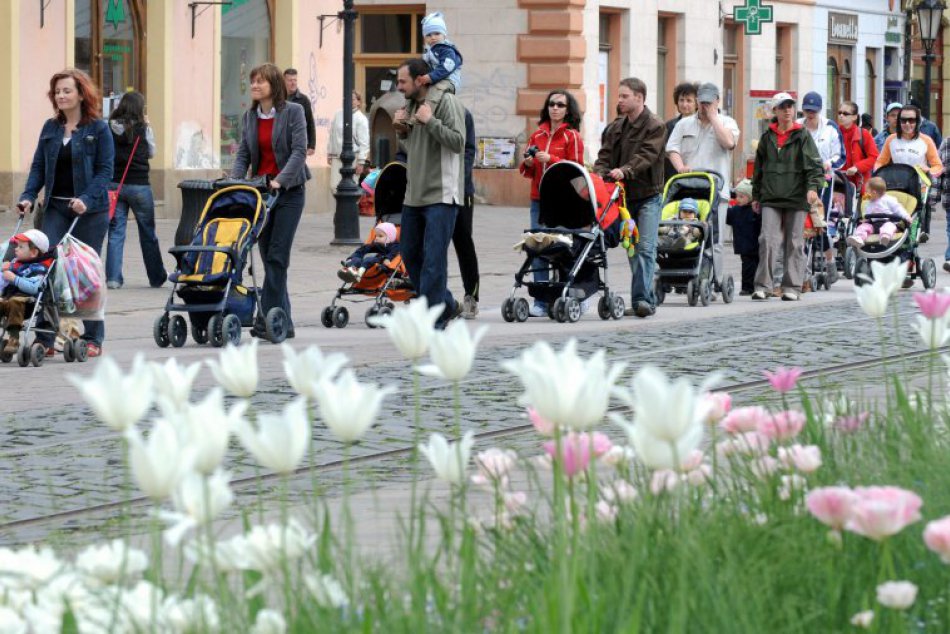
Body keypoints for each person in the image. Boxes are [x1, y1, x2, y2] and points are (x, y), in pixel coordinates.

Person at [17, 68, 114, 358]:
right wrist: (27, 196)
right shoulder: (50, 128)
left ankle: (93, 337)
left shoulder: (98, 129)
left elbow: (105, 171)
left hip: (90, 211)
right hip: (56, 207)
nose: (61, 96)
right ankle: (46, 338)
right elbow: (37, 168)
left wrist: (86, 198)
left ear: (82, 93)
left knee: (86, 271)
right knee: (46, 266)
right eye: (57, 91)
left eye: (66, 90)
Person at [230, 62, 310, 339]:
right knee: (268, 257)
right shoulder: (250, 117)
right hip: (261, 193)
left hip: (289, 192)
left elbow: (299, 152)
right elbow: (243, 153)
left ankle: (265, 317)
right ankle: (284, 323)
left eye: (260, 82)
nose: (254, 86)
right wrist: (235, 181)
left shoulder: (294, 112)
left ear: (273, 85)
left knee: (277, 256)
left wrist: (280, 179)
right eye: (252, 81)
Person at [393, 58, 466, 328]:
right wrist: (400, 130)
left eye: (402, 81)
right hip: (414, 195)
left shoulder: (448, 103)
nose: (399, 87)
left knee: (434, 260)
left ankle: (433, 322)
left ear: (420, 79)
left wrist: (431, 121)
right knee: (410, 254)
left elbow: (459, 142)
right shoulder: (410, 105)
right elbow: (413, 147)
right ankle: (446, 304)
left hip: (442, 196)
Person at [594, 77, 666, 318]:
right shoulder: (616, 127)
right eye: (619, 96)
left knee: (645, 248)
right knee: (632, 249)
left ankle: (642, 300)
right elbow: (604, 157)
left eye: (625, 96)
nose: (620, 100)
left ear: (639, 97)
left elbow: (647, 155)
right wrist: (600, 174)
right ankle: (645, 297)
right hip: (623, 200)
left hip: (649, 197)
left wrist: (625, 170)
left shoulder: (655, 125)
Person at [750, 92, 824, 302]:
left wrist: (812, 188)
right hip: (771, 196)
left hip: (797, 195)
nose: (788, 110)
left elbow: (814, 165)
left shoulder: (802, 135)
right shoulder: (767, 137)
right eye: (782, 107)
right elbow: (758, 170)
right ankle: (763, 285)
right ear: (775, 111)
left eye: (790, 106)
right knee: (767, 240)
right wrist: (756, 196)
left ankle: (792, 286)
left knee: (794, 242)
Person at [519, 89, 584, 316]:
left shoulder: (572, 136)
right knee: (538, 245)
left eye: (560, 105)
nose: (555, 108)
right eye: (551, 104)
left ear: (568, 110)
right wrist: (528, 162)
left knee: (563, 247)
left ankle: (570, 294)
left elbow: (576, 169)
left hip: (564, 201)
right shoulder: (537, 135)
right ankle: (540, 301)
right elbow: (527, 172)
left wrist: (552, 159)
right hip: (539, 199)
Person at [666, 82, 740, 283]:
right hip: (688, 188)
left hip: (717, 191)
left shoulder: (728, 122)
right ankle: (687, 275)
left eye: (709, 102)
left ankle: (716, 279)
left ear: (717, 101)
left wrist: (714, 118)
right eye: (702, 102)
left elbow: (729, 143)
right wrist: (680, 166)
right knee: (686, 232)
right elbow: (672, 148)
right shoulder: (684, 124)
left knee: (714, 239)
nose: (704, 106)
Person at [104, 91, 167, 290]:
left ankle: (113, 279)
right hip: (139, 185)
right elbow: (151, 152)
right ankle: (156, 278)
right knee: (148, 232)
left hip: (116, 184)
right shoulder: (143, 127)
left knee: (116, 232)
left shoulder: (109, 127)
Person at [797, 91, 844, 283]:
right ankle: (802, 265)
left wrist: (829, 164)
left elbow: (841, 156)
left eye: (813, 111)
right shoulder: (797, 127)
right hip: (800, 180)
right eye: (807, 110)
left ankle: (830, 260)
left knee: (819, 222)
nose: (810, 114)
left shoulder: (830, 128)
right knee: (801, 222)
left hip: (823, 180)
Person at [401, 12, 463, 129]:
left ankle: (424, 114)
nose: (433, 37)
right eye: (429, 35)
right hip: (434, 79)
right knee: (414, 88)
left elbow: (447, 67)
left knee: (436, 91)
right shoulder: (429, 51)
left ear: (444, 35)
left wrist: (430, 77)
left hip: (448, 80)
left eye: (437, 33)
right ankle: (406, 115)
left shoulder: (446, 49)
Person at [0, 230, 50, 355]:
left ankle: (14, 338)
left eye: (21, 247)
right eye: (17, 246)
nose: (16, 249)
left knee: (15, 301)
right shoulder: (15, 265)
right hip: (8, 300)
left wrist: (14, 279)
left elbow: (34, 287)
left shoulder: (39, 269)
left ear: (33, 252)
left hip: (28, 304)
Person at [453, 107, 480, 319]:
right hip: (431, 192)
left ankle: (471, 296)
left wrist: (458, 181)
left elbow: (469, 151)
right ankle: (434, 298)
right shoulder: (417, 109)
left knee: (463, 243)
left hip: (461, 191)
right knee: (433, 245)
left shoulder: (463, 113)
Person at [846, 176, 911, 248]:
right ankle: (859, 238)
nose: (865, 193)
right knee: (863, 227)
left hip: (888, 221)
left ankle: (885, 237)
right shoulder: (869, 202)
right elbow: (868, 213)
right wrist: (866, 220)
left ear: (874, 193)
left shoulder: (889, 200)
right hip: (873, 224)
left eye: (867, 191)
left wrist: (906, 216)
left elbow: (898, 209)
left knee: (889, 227)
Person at [327, 91, 369, 194]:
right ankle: (340, 209)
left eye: (353, 99)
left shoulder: (361, 119)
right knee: (334, 186)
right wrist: (330, 153)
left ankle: (351, 210)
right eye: (346, 99)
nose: (349, 101)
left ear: (358, 102)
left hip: (353, 158)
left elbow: (364, 142)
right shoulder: (338, 114)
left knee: (351, 188)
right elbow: (332, 135)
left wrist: (361, 162)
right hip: (337, 156)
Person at [725, 179, 760, 295]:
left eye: (741, 197)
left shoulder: (755, 210)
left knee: (754, 266)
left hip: (754, 244)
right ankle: (747, 287)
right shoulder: (735, 210)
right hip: (744, 245)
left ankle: (752, 286)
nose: (737, 199)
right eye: (737, 196)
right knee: (747, 267)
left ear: (750, 198)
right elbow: (726, 217)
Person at [837, 100, 879, 191]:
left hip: (859, 184)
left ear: (854, 117)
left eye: (845, 113)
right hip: (836, 183)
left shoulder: (864, 134)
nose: (841, 116)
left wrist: (857, 167)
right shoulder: (832, 132)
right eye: (839, 113)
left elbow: (874, 157)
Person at [664, 82, 698, 182]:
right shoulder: (670, 125)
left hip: (696, 175)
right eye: (681, 100)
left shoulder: (703, 124)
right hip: (672, 176)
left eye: (689, 100)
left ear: (696, 103)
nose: (684, 104)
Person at [283, 68, 316, 156]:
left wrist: (312, 145)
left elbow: (310, 122)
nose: (293, 83)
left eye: (295, 80)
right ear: (284, 81)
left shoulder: (304, 100)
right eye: (290, 80)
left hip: (298, 143)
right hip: (281, 144)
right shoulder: (279, 99)